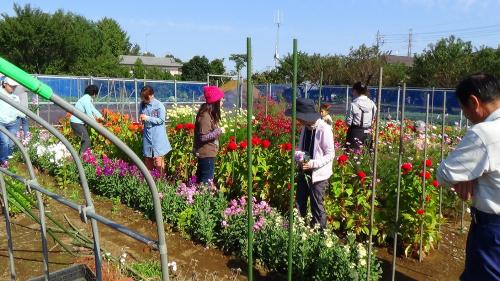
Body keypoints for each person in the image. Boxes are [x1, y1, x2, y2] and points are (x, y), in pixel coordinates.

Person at [436, 73, 500, 281]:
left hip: (493, 229)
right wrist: (473, 172)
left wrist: (469, 174)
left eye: (464, 110)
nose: (465, 116)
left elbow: (445, 174)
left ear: (474, 102)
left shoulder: (485, 133)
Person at [286, 98, 335, 229]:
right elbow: (303, 148)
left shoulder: (324, 129)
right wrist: (299, 156)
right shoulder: (305, 128)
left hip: (319, 175)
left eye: (300, 117)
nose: (298, 120)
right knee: (299, 201)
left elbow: (330, 154)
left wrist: (312, 163)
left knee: (317, 205)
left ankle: (319, 235)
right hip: (304, 170)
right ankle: (298, 229)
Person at [193, 86, 224, 184]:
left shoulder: (209, 114)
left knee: (202, 182)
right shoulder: (205, 116)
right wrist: (218, 131)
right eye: (221, 99)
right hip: (206, 155)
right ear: (215, 101)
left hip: (208, 153)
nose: (222, 101)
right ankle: (202, 198)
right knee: (206, 182)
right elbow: (203, 136)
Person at [139, 85, 171, 176]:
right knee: (148, 159)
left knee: (158, 159)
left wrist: (148, 118)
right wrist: (141, 119)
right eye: (143, 97)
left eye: (146, 97)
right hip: (147, 136)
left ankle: (161, 183)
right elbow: (142, 117)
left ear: (152, 95)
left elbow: (161, 120)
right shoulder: (142, 105)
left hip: (157, 136)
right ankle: (149, 183)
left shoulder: (159, 105)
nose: (144, 99)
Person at [70, 85, 103, 155]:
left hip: (78, 123)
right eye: (96, 94)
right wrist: (96, 124)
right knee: (87, 140)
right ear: (94, 93)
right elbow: (89, 114)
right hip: (76, 123)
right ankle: (82, 159)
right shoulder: (86, 99)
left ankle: (81, 157)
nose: (96, 96)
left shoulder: (86, 98)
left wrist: (101, 117)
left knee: (84, 140)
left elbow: (93, 109)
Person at [345, 82, 376, 151]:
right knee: (366, 156)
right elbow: (373, 118)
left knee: (352, 156)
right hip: (368, 132)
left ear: (355, 91)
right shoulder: (373, 104)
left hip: (355, 132)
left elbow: (348, 122)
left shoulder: (353, 104)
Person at [0, 77, 23, 166]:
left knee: (10, 143)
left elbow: (18, 109)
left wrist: (23, 115)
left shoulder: (15, 97)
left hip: (12, 123)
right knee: (4, 141)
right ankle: (3, 162)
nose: (13, 88)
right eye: (11, 86)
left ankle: (5, 157)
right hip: (1, 122)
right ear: (5, 84)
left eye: (14, 87)